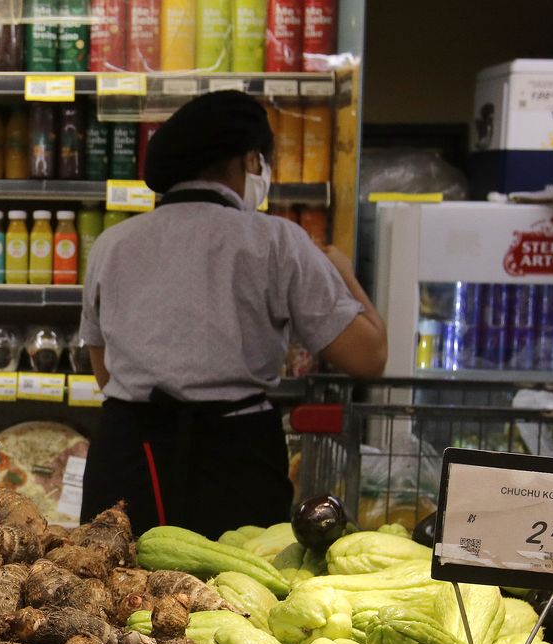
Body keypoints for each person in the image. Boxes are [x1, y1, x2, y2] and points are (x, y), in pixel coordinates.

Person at [78, 90, 386, 538]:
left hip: (129, 453)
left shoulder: (113, 243)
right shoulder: (276, 241)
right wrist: (344, 273)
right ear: (249, 161)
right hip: (236, 454)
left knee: (113, 592)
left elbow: (102, 369)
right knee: (237, 596)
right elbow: (369, 357)